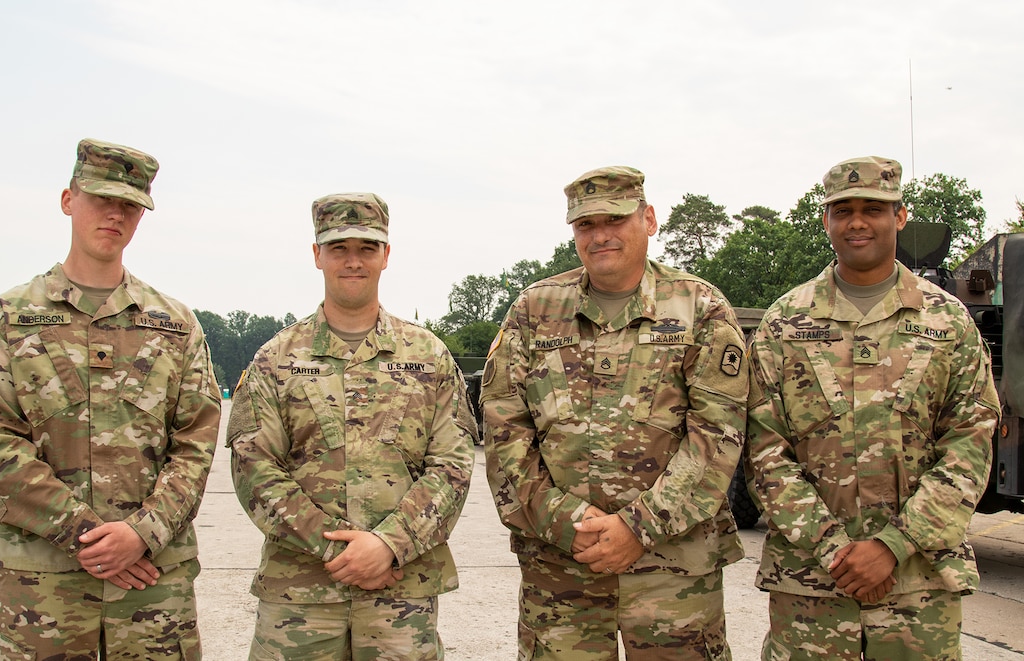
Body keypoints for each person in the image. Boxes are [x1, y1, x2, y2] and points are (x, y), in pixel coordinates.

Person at [0, 138, 222, 658]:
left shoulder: (173, 324)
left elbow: (197, 442)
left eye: (130, 206)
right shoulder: (9, 318)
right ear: (67, 199)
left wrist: (142, 532)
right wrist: (89, 535)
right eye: (101, 198)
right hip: (42, 582)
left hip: (152, 581)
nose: (115, 214)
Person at [481, 166, 749, 660]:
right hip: (561, 566)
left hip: (674, 570)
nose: (600, 235)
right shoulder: (534, 311)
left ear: (648, 219)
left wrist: (638, 527)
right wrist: (561, 520)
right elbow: (503, 430)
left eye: (615, 219)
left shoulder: (700, 307)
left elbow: (718, 435)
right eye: (585, 225)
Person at [745, 156, 1001, 659]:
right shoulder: (785, 323)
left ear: (900, 217)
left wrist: (893, 546)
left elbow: (970, 444)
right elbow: (762, 448)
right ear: (826, 221)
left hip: (919, 582)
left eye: (873, 209)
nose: (857, 222)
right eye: (843, 210)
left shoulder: (949, 322)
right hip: (811, 584)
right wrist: (833, 549)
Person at [227, 192, 477, 660]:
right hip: (299, 596)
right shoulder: (276, 358)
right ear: (317, 254)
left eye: (367, 247)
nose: (353, 261)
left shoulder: (428, 355)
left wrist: (389, 543)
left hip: (401, 591)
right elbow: (253, 468)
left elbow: (454, 465)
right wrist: (335, 549)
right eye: (338, 248)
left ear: (386, 254)